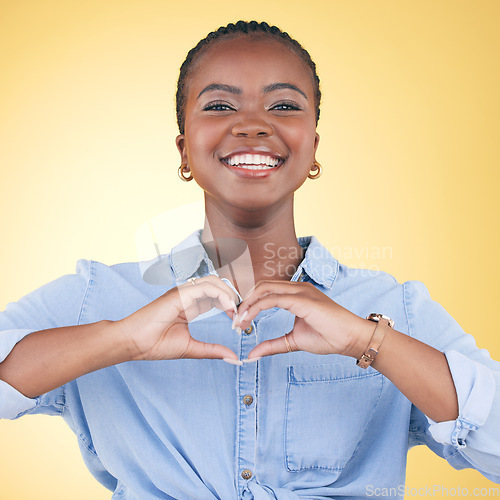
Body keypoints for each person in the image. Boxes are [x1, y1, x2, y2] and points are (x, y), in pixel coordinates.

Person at [0, 20, 499, 500]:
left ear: (313, 147)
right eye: (219, 105)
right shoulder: (98, 298)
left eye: (284, 105)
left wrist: (371, 342)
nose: (253, 125)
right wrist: (121, 338)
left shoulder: (393, 309)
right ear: (184, 149)